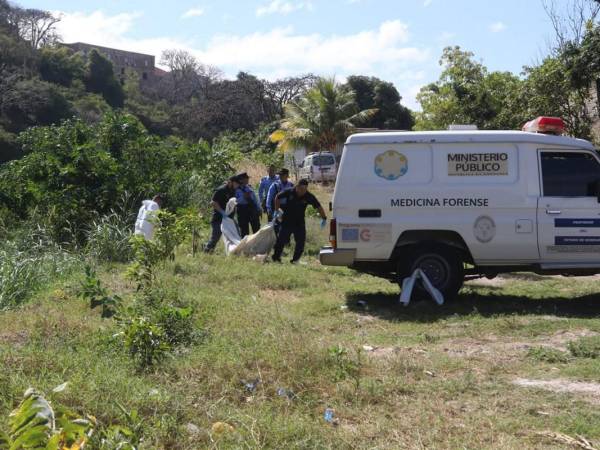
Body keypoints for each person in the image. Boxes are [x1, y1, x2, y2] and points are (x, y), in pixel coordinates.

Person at [272, 179, 327, 264]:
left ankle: (295, 260)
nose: (303, 191)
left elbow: (318, 206)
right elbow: (277, 197)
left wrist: (324, 218)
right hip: (287, 220)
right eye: (301, 189)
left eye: (305, 189)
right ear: (297, 187)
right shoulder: (290, 191)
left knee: (301, 242)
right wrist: (277, 211)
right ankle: (276, 258)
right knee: (281, 240)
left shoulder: (308, 196)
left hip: (299, 222)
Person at [204, 175, 240, 253]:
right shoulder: (221, 190)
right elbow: (213, 202)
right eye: (236, 183)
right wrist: (222, 212)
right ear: (231, 182)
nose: (237, 185)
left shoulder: (232, 190)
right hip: (218, 218)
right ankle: (207, 250)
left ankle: (235, 252)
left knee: (236, 234)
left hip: (229, 218)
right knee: (216, 237)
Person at [235, 172, 261, 238]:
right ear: (241, 180)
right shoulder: (236, 190)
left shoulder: (249, 187)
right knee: (244, 231)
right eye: (246, 178)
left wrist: (259, 208)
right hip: (242, 210)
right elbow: (234, 201)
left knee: (256, 229)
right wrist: (243, 197)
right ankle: (245, 246)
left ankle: (256, 245)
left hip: (252, 210)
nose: (247, 180)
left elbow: (255, 199)